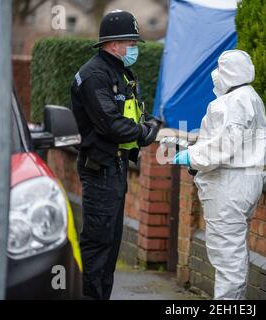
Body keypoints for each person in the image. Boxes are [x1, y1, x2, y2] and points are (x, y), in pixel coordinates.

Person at [70, 10, 161, 300]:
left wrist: (147, 123)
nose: (134, 48)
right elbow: (110, 123)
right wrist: (142, 133)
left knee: (110, 245)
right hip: (100, 170)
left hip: (116, 168)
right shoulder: (95, 75)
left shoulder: (120, 72)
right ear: (113, 44)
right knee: (97, 244)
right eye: (131, 42)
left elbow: (132, 113)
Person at [173, 50, 266, 299]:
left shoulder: (232, 102)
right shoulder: (250, 98)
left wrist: (192, 157)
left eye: (220, 68)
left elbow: (224, 146)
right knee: (234, 255)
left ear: (230, 72)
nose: (215, 75)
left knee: (227, 259)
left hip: (228, 186)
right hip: (244, 182)